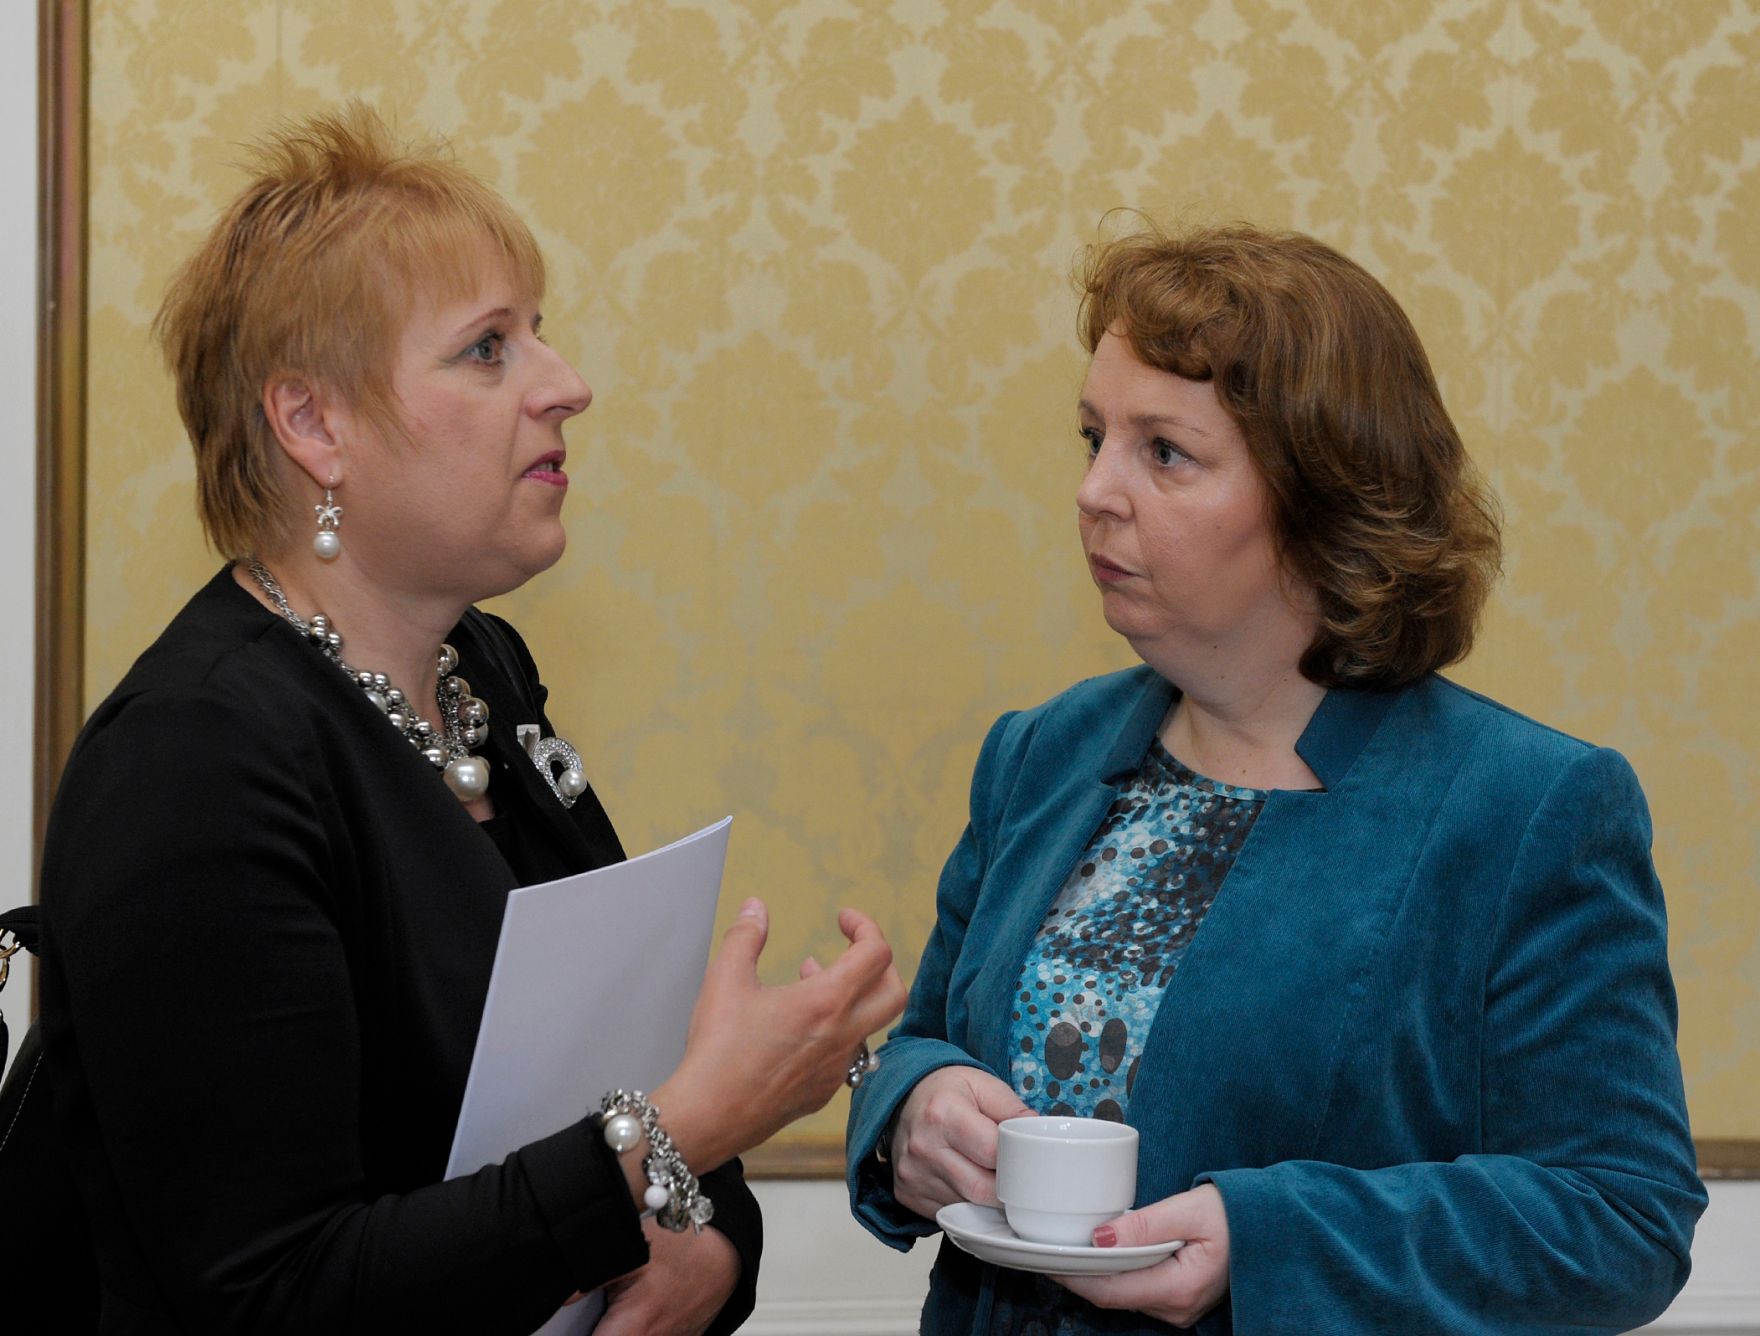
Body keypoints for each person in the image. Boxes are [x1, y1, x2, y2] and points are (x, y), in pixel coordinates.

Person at [39, 104, 907, 1335]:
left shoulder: (478, 673)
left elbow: (622, 1121)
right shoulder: (196, 760)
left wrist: (706, 1252)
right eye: (487, 349)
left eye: (536, 334)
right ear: (314, 425)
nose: (567, 385)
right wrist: (691, 1128)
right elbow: (271, 1295)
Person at [845, 222, 1707, 1333]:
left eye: (1163, 452)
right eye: (1092, 436)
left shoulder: (1526, 810)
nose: (1095, 491)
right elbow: (934, 1040)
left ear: (1319, 501)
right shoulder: (1039, 753)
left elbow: (1618, 1215)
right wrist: (908, 1105)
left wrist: (1265, 1239)